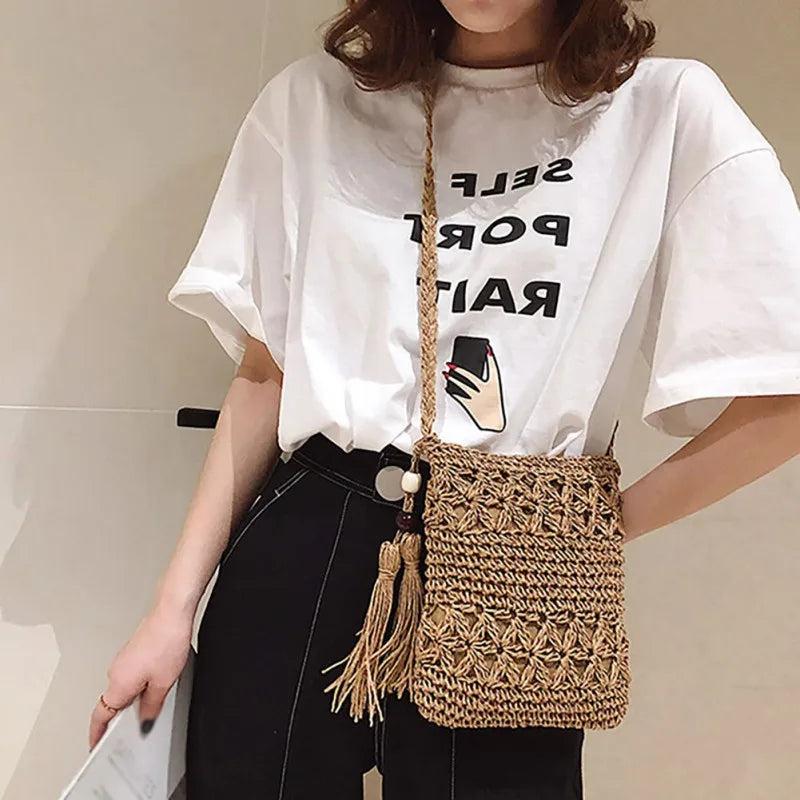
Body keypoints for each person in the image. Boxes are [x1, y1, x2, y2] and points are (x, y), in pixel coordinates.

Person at [88, 1, 800, 797]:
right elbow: (266, 373)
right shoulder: (315, 103)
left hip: (517, 567)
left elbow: (785, 394)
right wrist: (170, 611)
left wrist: (587, 531)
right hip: (310, 536)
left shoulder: (664, 110)